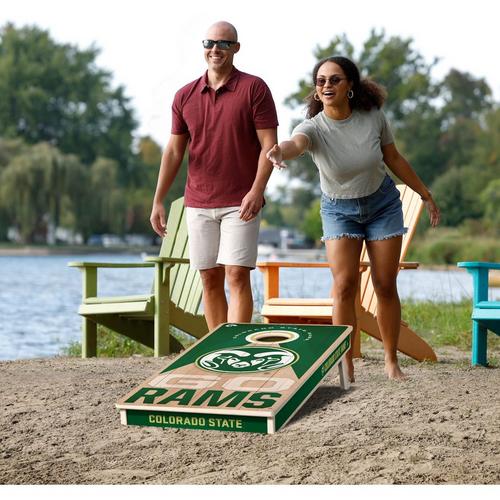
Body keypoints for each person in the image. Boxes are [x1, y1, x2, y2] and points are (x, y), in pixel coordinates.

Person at [266, 56, 440, 381]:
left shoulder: (373, 117)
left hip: (382, 205)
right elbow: (296, 144)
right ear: (316, 90)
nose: (327, 85)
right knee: (344, 285)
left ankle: (391, 361)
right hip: (338, 210)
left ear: (350, 86)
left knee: (384, 284)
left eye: (335, 79)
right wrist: (279, 151)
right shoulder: (313, 127)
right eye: (321, 81)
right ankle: (345, 364)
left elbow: (393, 157)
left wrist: (424, 193)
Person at [150, 21, 278, 331]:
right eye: (209, 43)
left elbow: (269, 146)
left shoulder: (254, 88)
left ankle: (236, 346)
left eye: (223, 43)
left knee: (236, 274)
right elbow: (174, 152)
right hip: (198, 201)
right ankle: (217, 347)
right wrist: (158, 200)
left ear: (236, 48)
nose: (215, 49)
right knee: (208, 277)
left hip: (241, 201)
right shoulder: (184, 95)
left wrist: (257, 191)